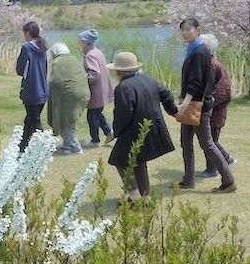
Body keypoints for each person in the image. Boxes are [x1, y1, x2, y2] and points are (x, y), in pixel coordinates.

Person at [106, 51, 178, 203]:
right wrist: (173, 111)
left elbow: (123, 114)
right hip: (153, 127)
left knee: (119, 160)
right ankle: (145, 197)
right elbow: (165, 93)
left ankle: (135, 195)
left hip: (135, 130)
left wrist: (116, 132)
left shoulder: (123, 87)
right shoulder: (148, 79)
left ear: (119, 71)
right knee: (139, 159)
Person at [175, 18, 236, 193]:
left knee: (207, 143)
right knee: (185, 142)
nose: (185, 32)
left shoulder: (200, 51)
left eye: (189, 29)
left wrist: (184, 104)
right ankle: (188, 180)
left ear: (197, 30)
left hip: (198, 104)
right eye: (183, 29)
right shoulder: (192, 49)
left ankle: (228, 181)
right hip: (191, 103)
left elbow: (195, 81)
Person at [196, 34, 235, 178]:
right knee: (210, 140)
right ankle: (227, 158)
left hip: (214, 111)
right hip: (212, 109)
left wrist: (207, 105)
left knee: (209, 141)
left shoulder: (212, 65)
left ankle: (212, 170)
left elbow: (223, 92)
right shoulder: (209, 63)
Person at [47, 42, 91, 155]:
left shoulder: (58, 62)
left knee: (65, 122)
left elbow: (55, 80)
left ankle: (76, 148)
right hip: (83, 94)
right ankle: (67, 144)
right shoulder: (74, 59)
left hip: (70, 95)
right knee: (70, 120)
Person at [78, 28, 114, 147]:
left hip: (96, 91)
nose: (79, 43)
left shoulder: (90, 55)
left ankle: (95, 140)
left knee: (92, 116)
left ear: (85, 42)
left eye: (81, 40)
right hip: (102, 89)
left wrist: (83, 80)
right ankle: (109, 132)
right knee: (97, 113)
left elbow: (95, 74)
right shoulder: (97, 51)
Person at [16, 21, 48, 151]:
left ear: (28, 33)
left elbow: (19, 69)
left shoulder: (27, 48)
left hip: (31, 90)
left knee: (34, 121)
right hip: (43, 90)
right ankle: (23, 145)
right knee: (30, 118)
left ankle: (45, 146)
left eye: (24, 33)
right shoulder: (43, 47)